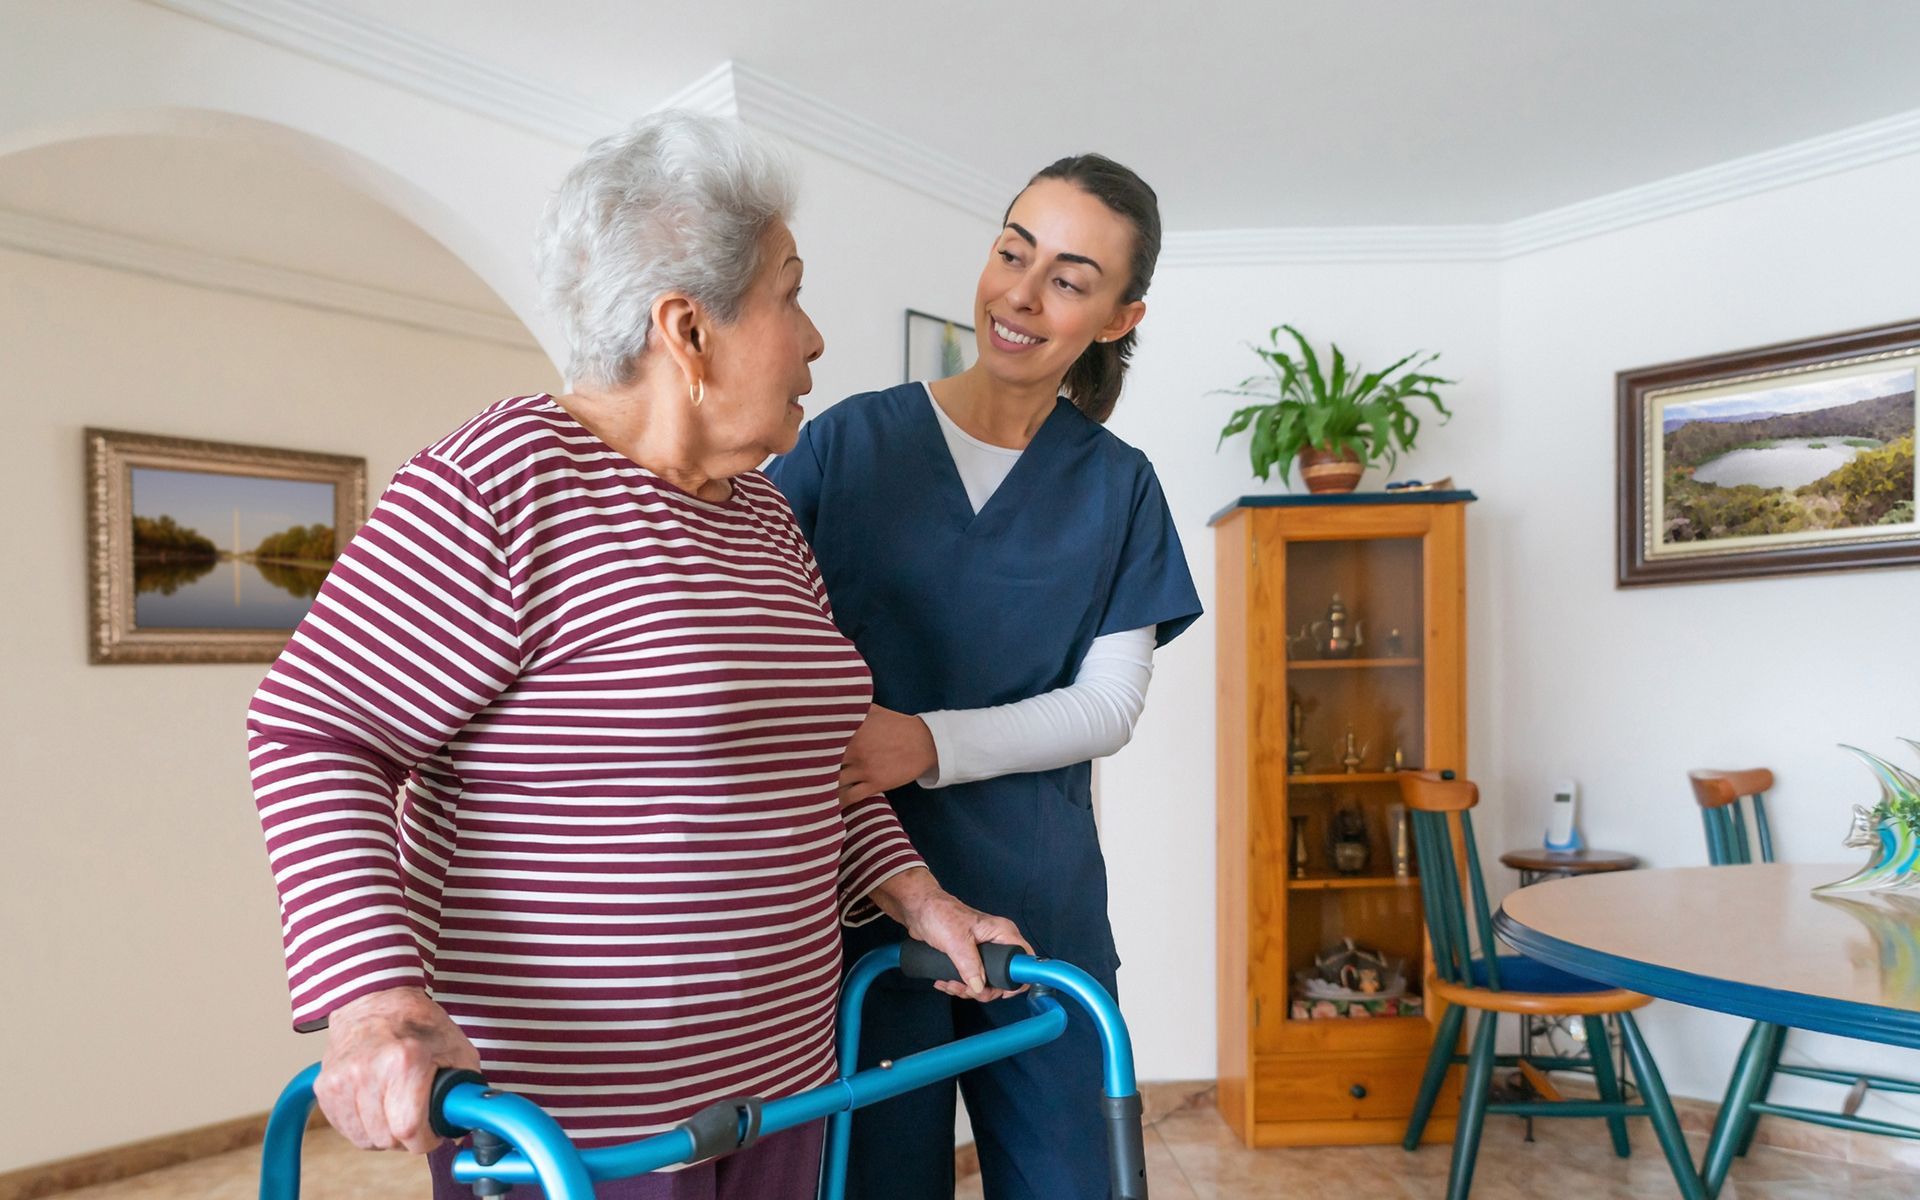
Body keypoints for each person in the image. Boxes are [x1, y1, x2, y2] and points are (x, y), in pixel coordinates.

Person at [245, 111, 1025, 1200]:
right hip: (582, 1123)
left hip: (783, 1083)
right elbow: (312, 732)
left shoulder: (762, 517)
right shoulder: (500, 480)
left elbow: (809, 759)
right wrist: (374, 1001)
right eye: (789, 293)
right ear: (687, 329)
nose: (814, 340)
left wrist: (916, 895)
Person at [765, 154, 1202, 1200]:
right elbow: (762, 645)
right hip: (859, 899)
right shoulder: (845, 447)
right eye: (1014, 251)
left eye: (1070, 276)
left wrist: (926, 742)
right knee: (874, 1179)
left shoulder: (1118, 486)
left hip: (1039, 896)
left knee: (1073, 1177)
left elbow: (1111, 704)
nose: (1021, 291)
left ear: (1116, 317)